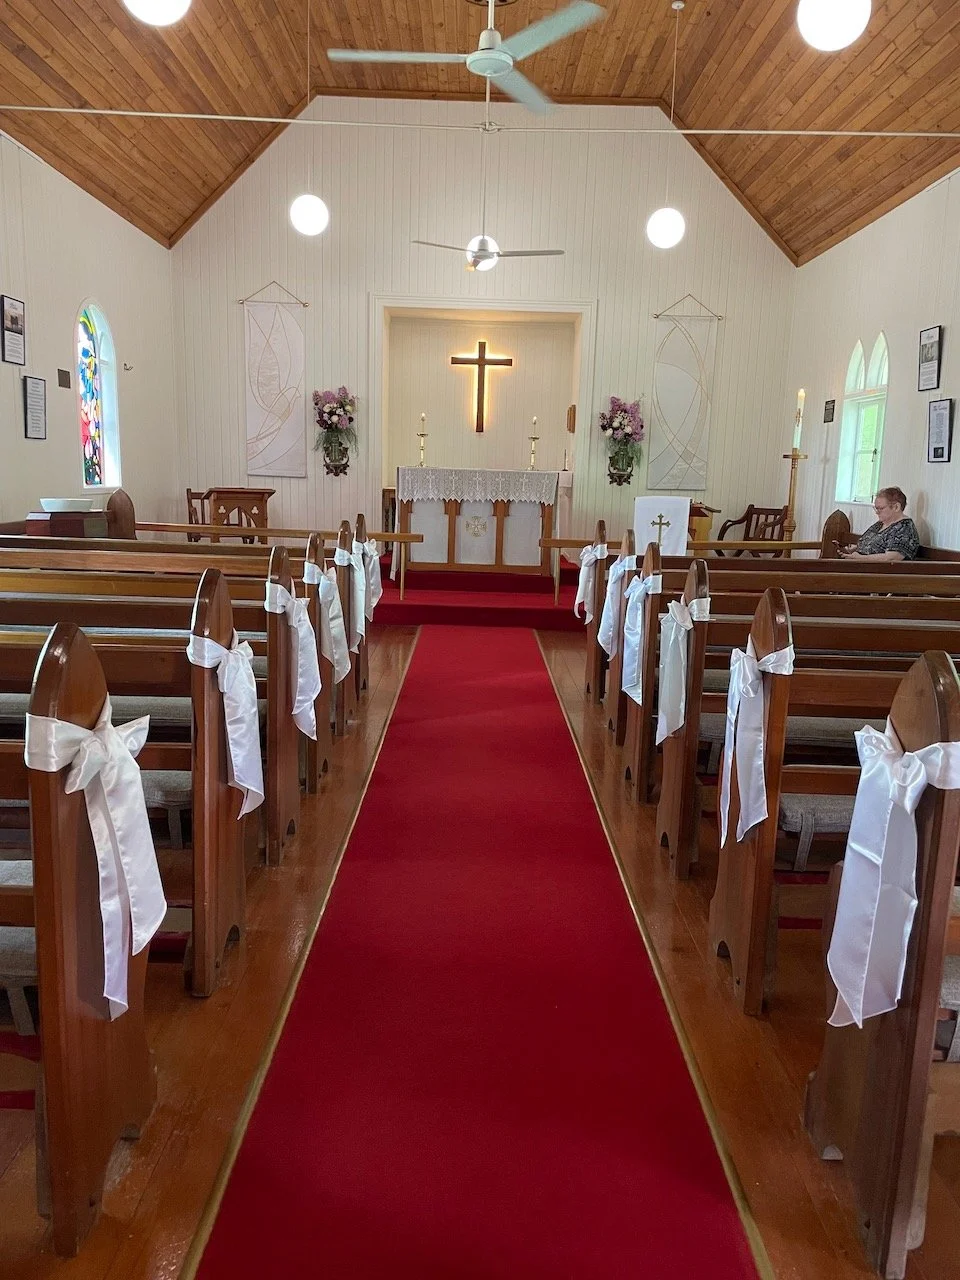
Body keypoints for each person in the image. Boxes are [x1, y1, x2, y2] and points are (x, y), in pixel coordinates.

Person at [836, 487, 920, 562]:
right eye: (876, 508)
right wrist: (848, 551)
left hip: (879, 575)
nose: (877, 512)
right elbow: (865, 545)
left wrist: (859, 558)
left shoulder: (904, 529)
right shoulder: (880, 524)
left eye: (881, 508)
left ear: (896, 507)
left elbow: (891, 558)